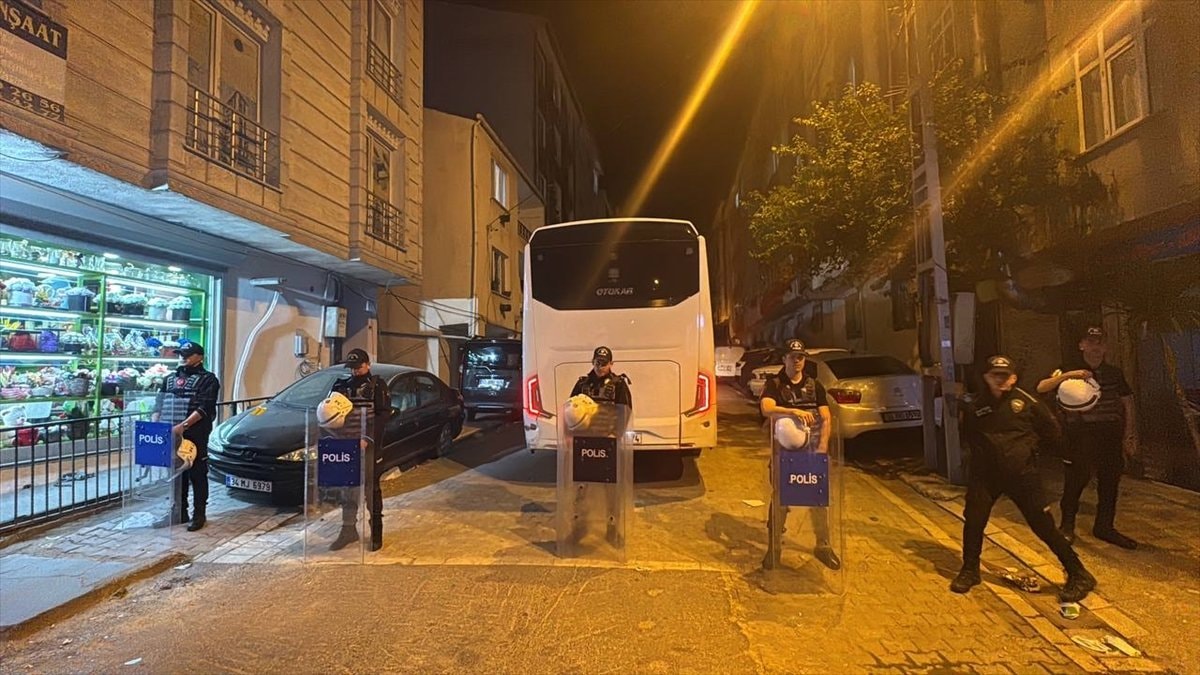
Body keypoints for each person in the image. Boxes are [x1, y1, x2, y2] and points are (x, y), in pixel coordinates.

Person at [952, 355, 1096, 602]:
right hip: (985, 476)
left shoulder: (1027, 402)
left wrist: (1030, 453)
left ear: (1014, 378)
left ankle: (1079, 573)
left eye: (1005, 375)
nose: (1000, 380)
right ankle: (970, 570)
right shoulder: (974, 405)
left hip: (1022, 476)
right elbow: (969, 435)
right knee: (974, 520)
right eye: (995, 375)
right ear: (986, 377)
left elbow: (1052, 431)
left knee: (1043, 526)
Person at [1036, 326, 1139, 549]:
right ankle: (1067, 526)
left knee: (1110, 483)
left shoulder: (1114, 373)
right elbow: (1041, 387)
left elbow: (1127, 401)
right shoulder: (1067, 369)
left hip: (1110, 433)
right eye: (1091, 342)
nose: (1095, 347)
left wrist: (1129, 433)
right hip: (1079, 435)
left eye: (1100, 343)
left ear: (1106, 347)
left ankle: (1104, 527)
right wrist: (1070, 375)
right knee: (1075, 481)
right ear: (1082, 345)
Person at [759, 338, 841, 571]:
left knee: (817, 499)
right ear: (784, 358)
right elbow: (766, 408)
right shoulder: (775, 384)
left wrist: (822, 449)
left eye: (801, 357)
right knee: (780, 499)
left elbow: (826, 417)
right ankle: (774, 548)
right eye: (793, 357)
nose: (797, 361)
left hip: (811, 452)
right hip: (784, 454)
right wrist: (792, 411)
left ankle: (823, 546)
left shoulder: (814, 385)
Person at [328, 348, 390, 552]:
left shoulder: (377, 385)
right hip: (346, 444)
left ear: (368, 365)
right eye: (352, 367)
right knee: (348, 490)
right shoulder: (340, 386)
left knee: (371, 489)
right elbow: (329, 412)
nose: (355, 371)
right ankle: (348, 530)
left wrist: (367, 438)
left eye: (359, 367)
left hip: (368, 446)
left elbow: (382, 416)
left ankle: (376, 531)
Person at [156, 342, 220, 532]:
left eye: (188, 354)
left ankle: (199, 514)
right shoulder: (169, 379)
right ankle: (178, 512)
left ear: (200, 357)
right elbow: (159, 404)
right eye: (181, 354)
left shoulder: (208, 379)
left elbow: (204, 407)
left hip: (194, 434)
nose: (183, 358)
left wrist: (183, 426)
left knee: (197, 473)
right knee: (175, 473)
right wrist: (156, 423)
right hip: (171, 433)